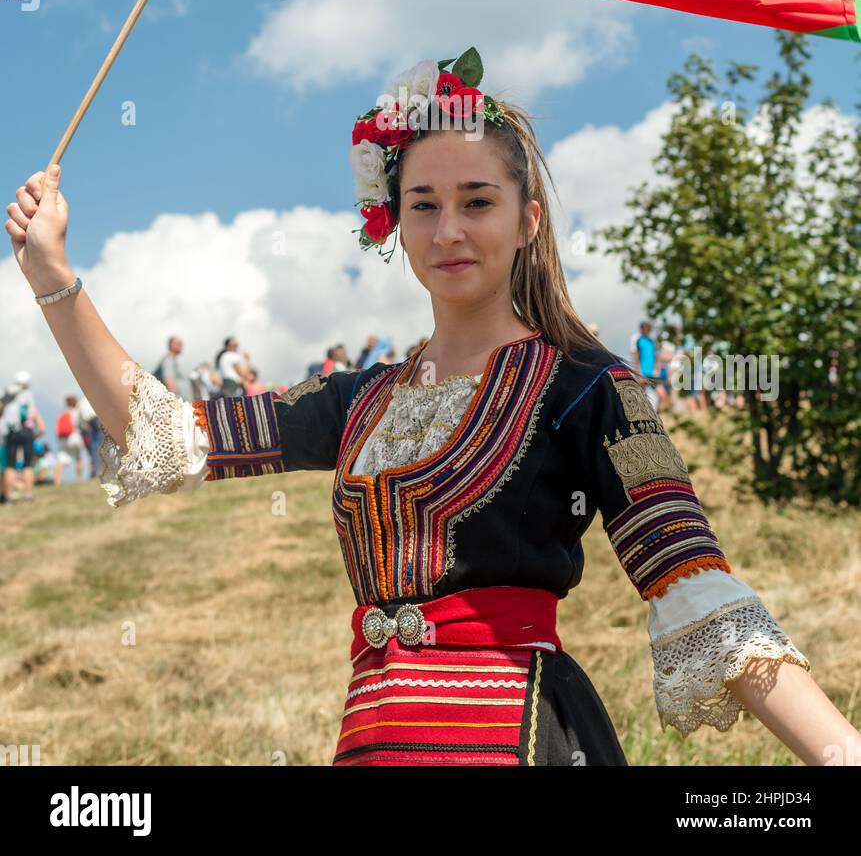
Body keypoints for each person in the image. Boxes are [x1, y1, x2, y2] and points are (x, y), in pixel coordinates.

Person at [5, 46, 859, 769]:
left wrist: (838, 755)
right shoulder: (356, 400)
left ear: (528, 221)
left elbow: (693, 583)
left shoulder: (591, 386)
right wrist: (51, 275)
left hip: (515, 736)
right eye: (424, 206)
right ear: (395, 224)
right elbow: (160, 435)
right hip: (373, 739)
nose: (449, 230)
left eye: (476, 202)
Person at [0, 373, 45, 503]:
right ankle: (28, 495)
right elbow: (40, 425)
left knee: (10, 465)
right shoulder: (28, 396)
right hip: (27, 432)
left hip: (11, 433)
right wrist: (33, 436)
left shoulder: (7, 395)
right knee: (28, 464)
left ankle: (7, 497)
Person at [54, 394, 87, 484]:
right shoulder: (76, 412)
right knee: (79, 458)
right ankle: (78, 479)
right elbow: (83, 424)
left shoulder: (62, 414)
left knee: (61, 460)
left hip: (63, 439)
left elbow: (57, 429)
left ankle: (57, 480)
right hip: (75, 437)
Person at [154, 336, 191, 402]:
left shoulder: (173, 360)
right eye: (178, 343)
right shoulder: (168, 360)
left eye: (181, 344)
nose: (181, 346)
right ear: (171, 345)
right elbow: (169, 381)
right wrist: (176, 402)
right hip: (178, 404)